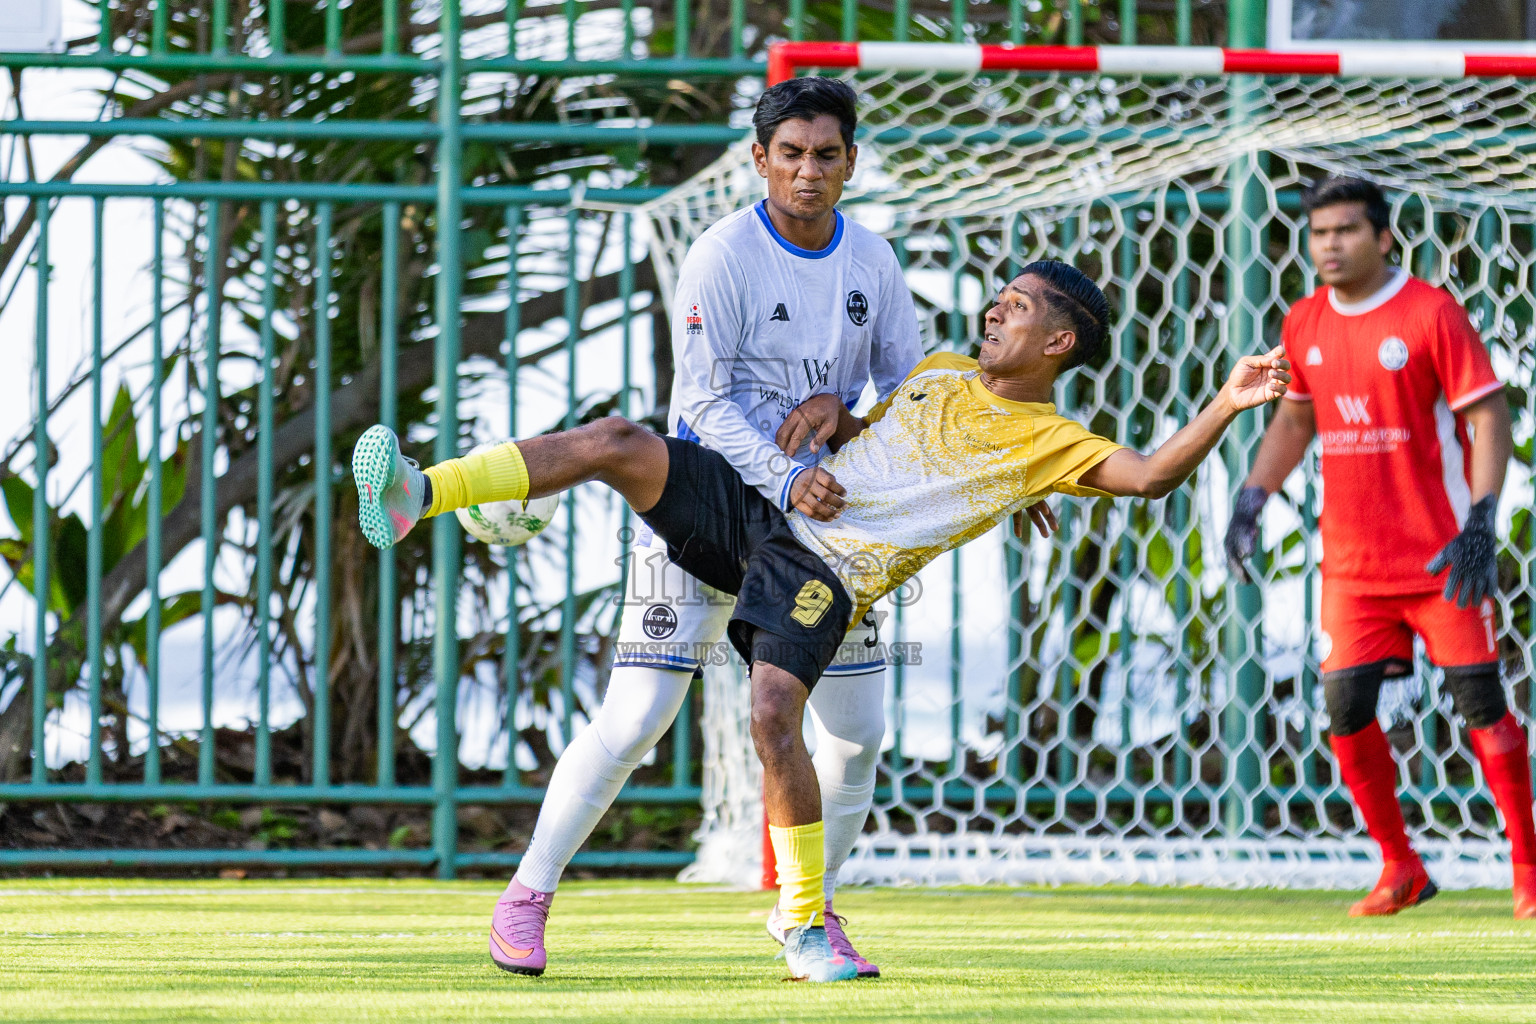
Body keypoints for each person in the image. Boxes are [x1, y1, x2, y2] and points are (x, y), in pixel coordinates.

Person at [354, 259, 1291, 979]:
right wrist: (834, 413)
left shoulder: (1053, 440)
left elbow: (1151, 476)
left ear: (1058, 343)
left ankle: (804, 921)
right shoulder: (941, 368)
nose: (995, 310)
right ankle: (421, 494)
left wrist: (1227, 400)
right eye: (998, 298)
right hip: (771, 503)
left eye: (1017, 306)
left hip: (824, 572)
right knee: (620, 441)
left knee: (776, 715)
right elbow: (883, 435)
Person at [1224, 175, 1534, 919]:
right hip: (1353, 570)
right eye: (1319, 233)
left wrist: (1481, 521)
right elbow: (1296, 421)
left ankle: (1528, 870)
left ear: (1383, 237)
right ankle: (1401, 868)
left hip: (1441, 560)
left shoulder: (1430, 313)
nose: (1329, 245)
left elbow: (1488, 416)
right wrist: (1251, 497)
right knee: (1345, 709)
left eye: (1346, 230)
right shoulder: (1304, 321)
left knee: (1481, 703)